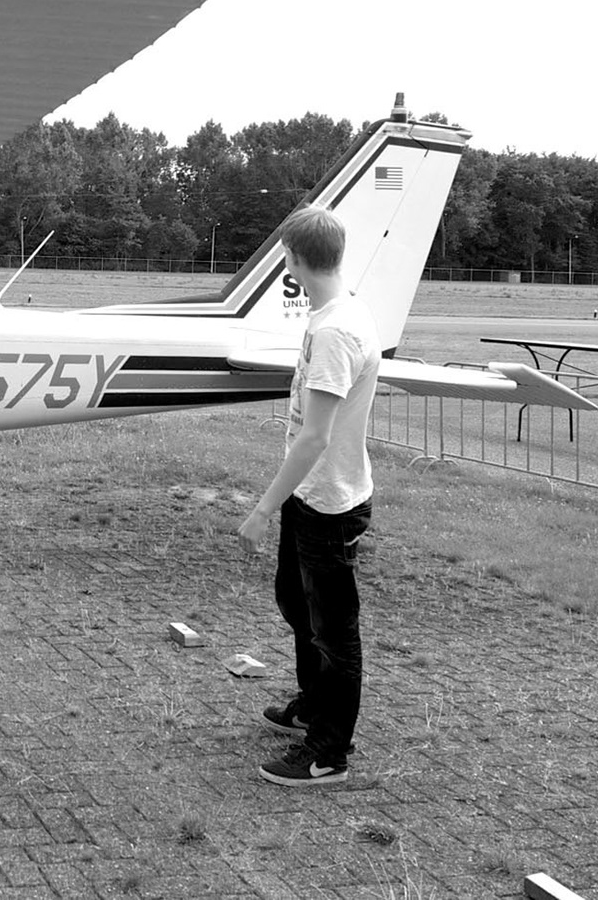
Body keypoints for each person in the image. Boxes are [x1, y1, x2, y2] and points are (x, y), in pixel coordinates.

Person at [237, 205, 381, 788]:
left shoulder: (334, 331)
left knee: (334, 631)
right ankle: (312, 708)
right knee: (297, 605)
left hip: (329, 500)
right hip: (312, 495)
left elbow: (316, 438)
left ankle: (327, 754)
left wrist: (261, 509)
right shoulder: (337, 313)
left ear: (291, 262)